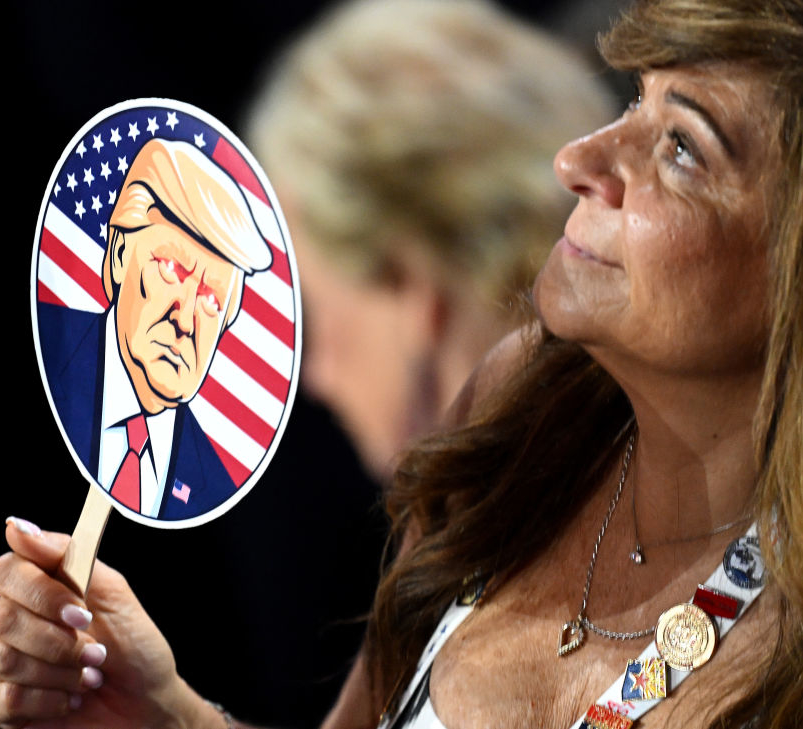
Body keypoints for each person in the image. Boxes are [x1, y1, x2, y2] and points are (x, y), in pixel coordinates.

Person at [0, 0, 803, 728]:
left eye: (682, 148)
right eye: (634, 102)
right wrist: (165, 712)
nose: (580, 161)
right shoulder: (520, 406)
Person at [245, 0, 613, 479]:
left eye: (313, 315)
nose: (317, 377)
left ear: (412, 286)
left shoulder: (522, 529)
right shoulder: (667, 442)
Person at [38, 137, 272, 520]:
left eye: (212, 301)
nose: (185, 319)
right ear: (117, 256)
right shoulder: (51, 361)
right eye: (170, 268)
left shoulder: (215, 483)